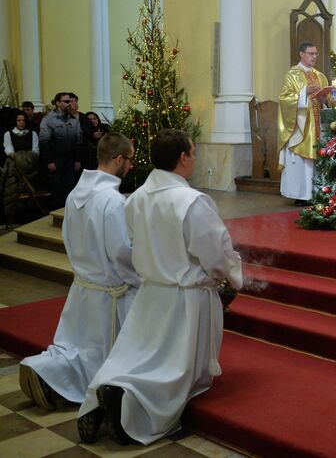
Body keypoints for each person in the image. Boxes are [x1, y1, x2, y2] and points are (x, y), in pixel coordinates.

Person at [77, 128, 243, 445]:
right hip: (185, 298)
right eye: (194, 153)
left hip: (150, 291)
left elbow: (134, 241)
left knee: (137, 353)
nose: (195, 159)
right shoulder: (192, 201)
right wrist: (233, 275)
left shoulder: (136, 198)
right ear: (183, 158)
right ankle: (135, 411)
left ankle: (107, 389)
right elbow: (214, 251)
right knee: (173, 369)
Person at [19, 132, 139, 411]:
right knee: (98, 356)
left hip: (83, 286)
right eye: (130, 160)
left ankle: (47, 371)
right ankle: (46, 372)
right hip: (110, 293)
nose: (131, 166)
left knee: (77, 347)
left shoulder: (76, 194)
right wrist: (140, 279)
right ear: (119, 159)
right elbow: (121, 252)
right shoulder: (111, 200)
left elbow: (67, 236)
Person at [277, 42, 328, 205]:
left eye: (315, 54)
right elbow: (284, 99)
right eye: (311, 53)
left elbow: (327, 101)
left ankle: (316, 193)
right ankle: (300, 195)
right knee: (301, 162)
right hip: (301, 127)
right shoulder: (292, 74)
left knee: (316, 160)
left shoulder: (320, 76)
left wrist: (326, 97)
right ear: (301, 54)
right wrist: (304, 93)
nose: (314, 57)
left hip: (318, 124)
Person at [39, 92, 82, 209]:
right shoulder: (48, 119)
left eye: (70, 101)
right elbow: (44, 142)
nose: (70, 104)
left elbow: (78, 140)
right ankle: (57, 217)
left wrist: (77, 159)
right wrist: (49, 161)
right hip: (56, 159)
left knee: (71, 188)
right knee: (57, 189)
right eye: (66, 101)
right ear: (58, 103)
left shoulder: (74, 119)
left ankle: (69, 215)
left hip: (71, 159)